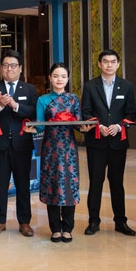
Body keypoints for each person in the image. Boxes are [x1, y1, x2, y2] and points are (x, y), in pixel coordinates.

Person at [27, 63, 92, 242]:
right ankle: (55, 228)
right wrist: (32, 129)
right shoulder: (43, 100)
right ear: (50, 78)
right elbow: (40, 124)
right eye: (55, 76)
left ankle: (68, 228)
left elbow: (78, 124)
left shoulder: (73, 99)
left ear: (68, 79)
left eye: (63, 76)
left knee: (69, 186)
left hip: (69, 149)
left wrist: (84, 128)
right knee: (52, 186)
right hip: (50, 148)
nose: (59, 79)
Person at [80, 49, 136, 236]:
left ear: (118, 64)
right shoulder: (90, 86)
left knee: (117, 183)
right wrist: (98, 126)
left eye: (113, 61)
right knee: (96, 182)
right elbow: (86, 112)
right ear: (99, 64)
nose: (109, 65)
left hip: (117, 143)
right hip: (96, 142)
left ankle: (121, 222)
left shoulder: (126, 86)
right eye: (105, 61)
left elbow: (131, 114)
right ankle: (93, 221)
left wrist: (119, 127)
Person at [0, 49, 38, 236]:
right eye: (6, 65)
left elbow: (33, 112)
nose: (9, 69)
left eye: (13, 65)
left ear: (20, 68)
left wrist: (15, 106)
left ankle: (25, 222)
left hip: (22, 144)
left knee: (23, 184)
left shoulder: (29, 89)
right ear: (0, 68)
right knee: (1, 183)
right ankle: (0, 221)